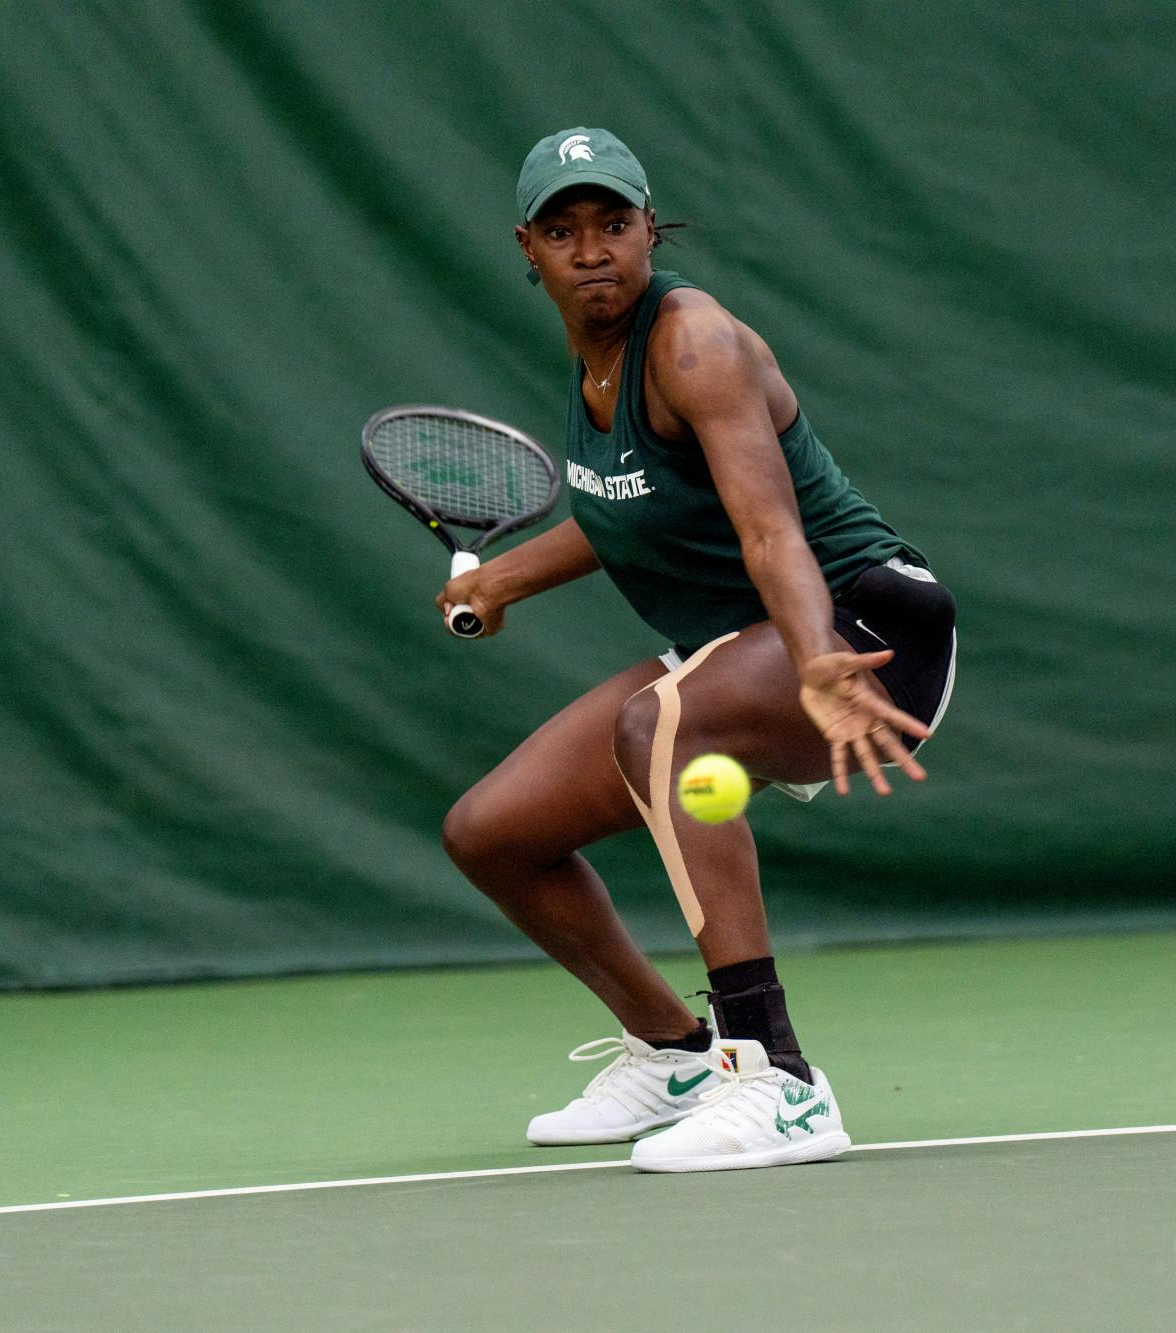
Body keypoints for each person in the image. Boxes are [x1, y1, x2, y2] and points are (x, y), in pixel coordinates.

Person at [438, 127, 958, 1172]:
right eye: (563, 230)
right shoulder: (595, 374)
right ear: (526, 250)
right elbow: (620, 509)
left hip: (865, 630)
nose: (592, 250)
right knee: (490, 831)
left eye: (613, 225)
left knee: (658, 724)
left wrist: (814, 657)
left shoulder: (692, 345)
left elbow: (769, 528)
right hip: (744, 643)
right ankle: (672, 1051)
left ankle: (776, 1081)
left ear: (646, 230)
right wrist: (499, 578)